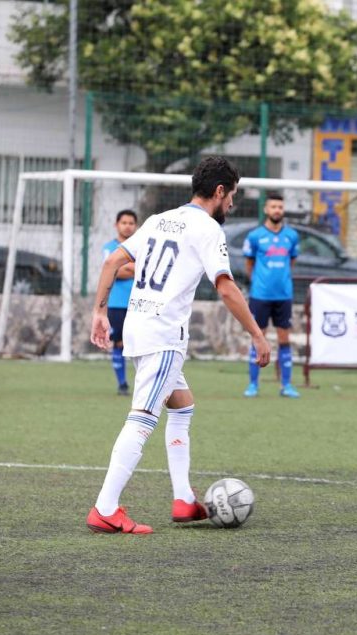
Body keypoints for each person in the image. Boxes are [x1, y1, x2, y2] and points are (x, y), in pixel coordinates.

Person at [86, 156, 271, 534]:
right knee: (142, 419)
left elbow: (111, 262)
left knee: (182, 406)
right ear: (219, 192)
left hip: (139, 328)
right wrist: (256, 333)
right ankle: (105, 507)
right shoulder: (207, 229)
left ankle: (184, 500)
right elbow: (225, 286)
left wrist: (99, 312)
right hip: (163, 336)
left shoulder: (158, 220)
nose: (232, 204)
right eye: (232, 196)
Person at [242, 192, 300, 399]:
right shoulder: (255, 236)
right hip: (260, 295)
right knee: (259, 338)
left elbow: (291, 262)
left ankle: (286, 385)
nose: (277, 210)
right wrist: (258, 282)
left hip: (283, 295)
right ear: (266, 209)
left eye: (280, 207)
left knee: (284, 339)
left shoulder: (291, 236)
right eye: (273, 206)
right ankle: (253, 385)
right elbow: (249, 264)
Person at [102, 209, 138, 395]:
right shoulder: (109, 247)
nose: (127, 226)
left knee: (139, 345)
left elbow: (124, 268)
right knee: (118, 343)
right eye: (124, 223)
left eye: (131, 223)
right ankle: (122, 383)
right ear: (117, 225)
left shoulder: (141, 246)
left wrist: (123, 267)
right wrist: (133, 267)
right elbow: (114, 270)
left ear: (136, 226)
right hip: (116, 304)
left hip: (137, 304)